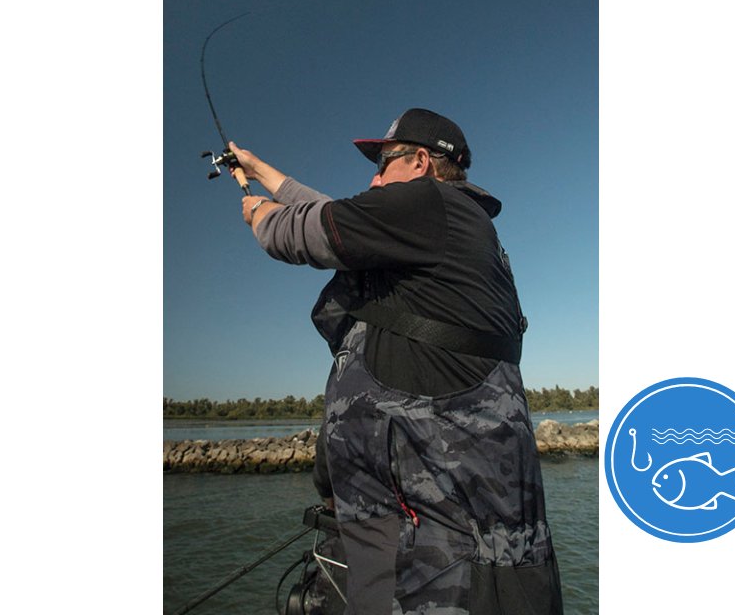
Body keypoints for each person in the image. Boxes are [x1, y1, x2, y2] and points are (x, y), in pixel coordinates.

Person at [229, 108, 563, 615]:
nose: (374, 179)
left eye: (384, 165)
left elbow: (308, 230)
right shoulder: (442, 224)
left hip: (436, 557)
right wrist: (260, 171)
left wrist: (260, 213)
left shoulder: (429, 204)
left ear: (421, 163)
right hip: (419, 536)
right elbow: (336, 212)